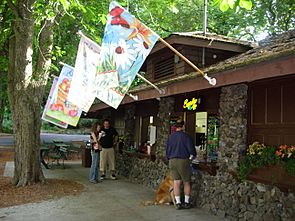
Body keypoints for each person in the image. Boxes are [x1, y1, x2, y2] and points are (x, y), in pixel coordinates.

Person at [166, 120, 196, 210]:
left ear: (176, 127)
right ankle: (186, 202)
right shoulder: (186, 136)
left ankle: (178, 203)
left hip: (172, 160)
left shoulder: (171, 137)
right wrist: (193, 156)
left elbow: (167, 150)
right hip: (183, 161)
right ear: (183, 126)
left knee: (176, 182)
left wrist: (169, 158)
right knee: (186, 182)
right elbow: (191, 150)